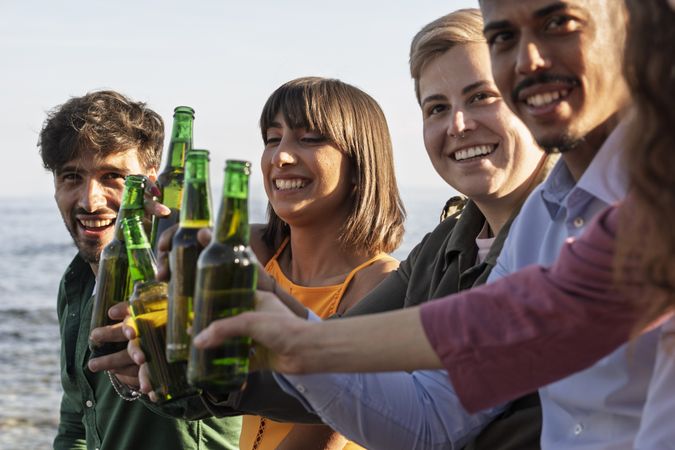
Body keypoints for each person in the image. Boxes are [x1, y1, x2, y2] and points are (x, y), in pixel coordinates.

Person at [194, 2, 675, 448]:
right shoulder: (536, 224)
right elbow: (436, 413)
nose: (527, 60)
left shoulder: (644, 207)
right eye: (504, 36)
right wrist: (274, 331)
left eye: (559, 23)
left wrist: (298, 339)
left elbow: (500, 323)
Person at [131, 10, 554, 450]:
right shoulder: (438, 252)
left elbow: (410, 411)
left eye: (482, 96)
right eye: (437, 108)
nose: (458, 124)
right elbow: (341, 355)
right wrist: (186, 366)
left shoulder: (573, 234)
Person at [38, 90, 241, 450]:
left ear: (153, 182)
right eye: (71, 176)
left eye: (112, 176)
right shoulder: (76, 283)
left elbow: (213, 398)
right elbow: (76, 422)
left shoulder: (183, 275)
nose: (90, 200)